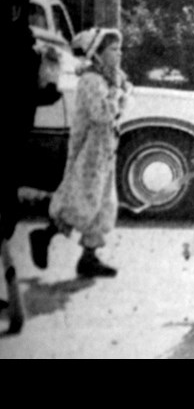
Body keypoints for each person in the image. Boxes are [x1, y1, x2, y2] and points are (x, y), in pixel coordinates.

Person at [28, 28, 133, 279]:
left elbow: (120, 108)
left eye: (119, 49)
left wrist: (120, 93)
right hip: (90, 149)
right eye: (112, 49)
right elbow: (101, 114)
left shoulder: (111, 78)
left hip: (106, 147)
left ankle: (89, 257)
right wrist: (118, 96)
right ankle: (45, 235)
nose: (118, 54)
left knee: (103, 202)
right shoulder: (91, 81)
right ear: (97, 53)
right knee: (82, 199)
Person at [1, 0, 63, 329]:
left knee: (5, 217)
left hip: (11, 142)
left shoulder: (27, 49)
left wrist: (48, 86)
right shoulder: (26, 48)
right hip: (11, 142)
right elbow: (40, 95)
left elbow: (37, 95)